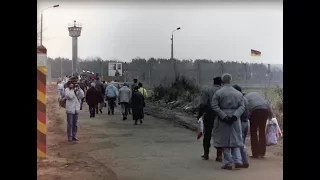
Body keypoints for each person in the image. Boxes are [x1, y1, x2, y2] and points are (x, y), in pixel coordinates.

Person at [211, 73, 245, 170]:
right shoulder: (237, 93)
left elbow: (214, 106)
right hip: (235, 118)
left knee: (224, 141)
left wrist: (223, 116)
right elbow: (242, 106)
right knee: (236, 140)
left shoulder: (218, 93)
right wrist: (235, 116)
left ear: (222, 81)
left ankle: (228, 162)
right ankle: (238, 161)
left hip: (223, 118)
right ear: (231, 80)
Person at [197, 77, 222, 161]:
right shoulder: (223, 91)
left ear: (213, 82)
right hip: (221, 115)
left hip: (209, 114)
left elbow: (203, 104)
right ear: (221, 82)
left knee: (207, 134)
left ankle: (206, 154)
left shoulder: (207, 90)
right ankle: (219, 155)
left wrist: (200, 114)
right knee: (220, 135)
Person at [245, 91, 273, 158]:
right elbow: (268, 104)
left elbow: (246, 109)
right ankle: (262, 153)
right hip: (264, 111)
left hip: (255, 111)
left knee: (253, 133)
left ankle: (255, 153)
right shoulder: (260, 96)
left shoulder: (245, 97)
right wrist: (270, 116)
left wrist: (247, 117)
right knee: (262, 132)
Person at [232, 84, 250, 168]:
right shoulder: (245, 98)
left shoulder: (238, 99)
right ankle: (242, 160)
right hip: (246, 122)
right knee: (242, 142)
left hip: (241, 122)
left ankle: (242, 161)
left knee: (239, 142)